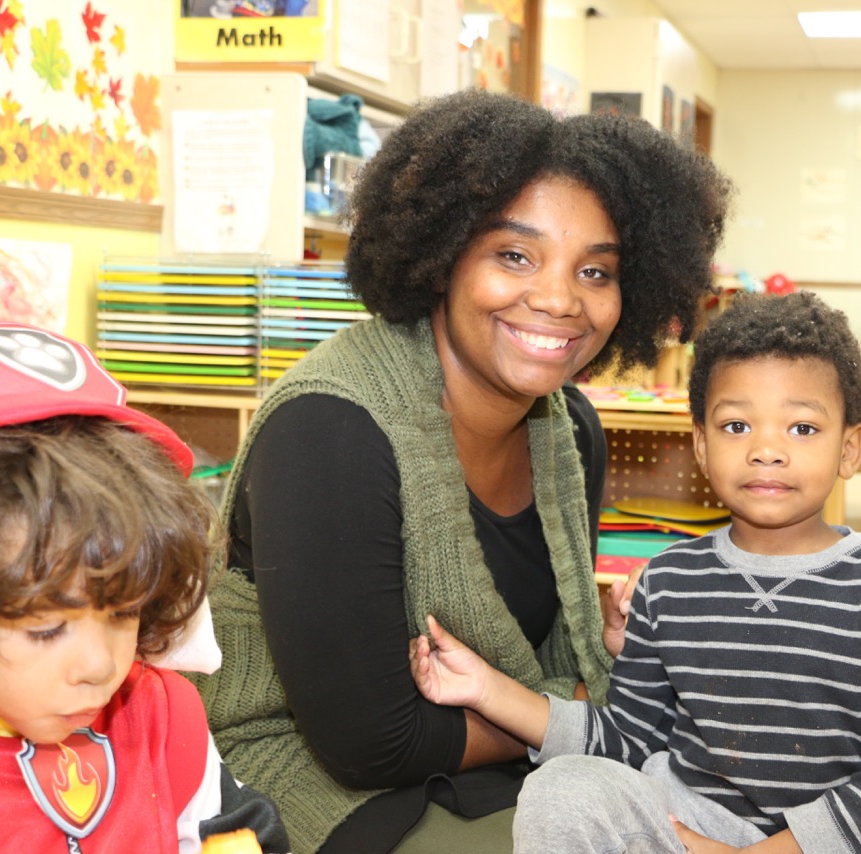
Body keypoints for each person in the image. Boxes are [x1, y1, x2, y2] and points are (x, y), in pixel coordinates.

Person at [191, 88, 733, 854]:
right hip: (305, 786)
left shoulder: (569, 431)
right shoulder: (329, 429)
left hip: (508, 764)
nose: (558, 300)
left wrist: (574, 702)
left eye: (596, 272)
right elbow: (368, 745)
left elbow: (561, 663)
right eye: (515, 255)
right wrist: (568, 710)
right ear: (443, 256)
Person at [411, 292, 861, 854]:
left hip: (826, 844)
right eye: (737, 426)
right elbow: (628, 740)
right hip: (692, 829)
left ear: (850, 447)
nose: (766, 450)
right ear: (700, 443)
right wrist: (487, 689)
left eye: (802, 429)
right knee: (563, 790)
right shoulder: (668, 583)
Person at [0, 319, 289, 854]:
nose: (99, 667)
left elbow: (240, 834)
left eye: (123, 613)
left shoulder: (159, 720)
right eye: (47, 629)